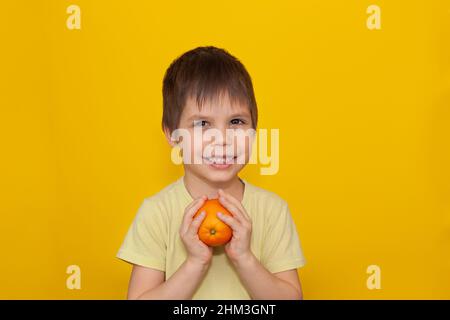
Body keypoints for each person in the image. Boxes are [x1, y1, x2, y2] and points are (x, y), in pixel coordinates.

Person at [116, 46, 306, 299]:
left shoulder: (273, 211)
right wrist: (195, 264)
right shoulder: (156, 213)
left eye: (236, 122)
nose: (222, 139)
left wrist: (245, 259)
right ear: (173, 135)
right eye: (202, 124)